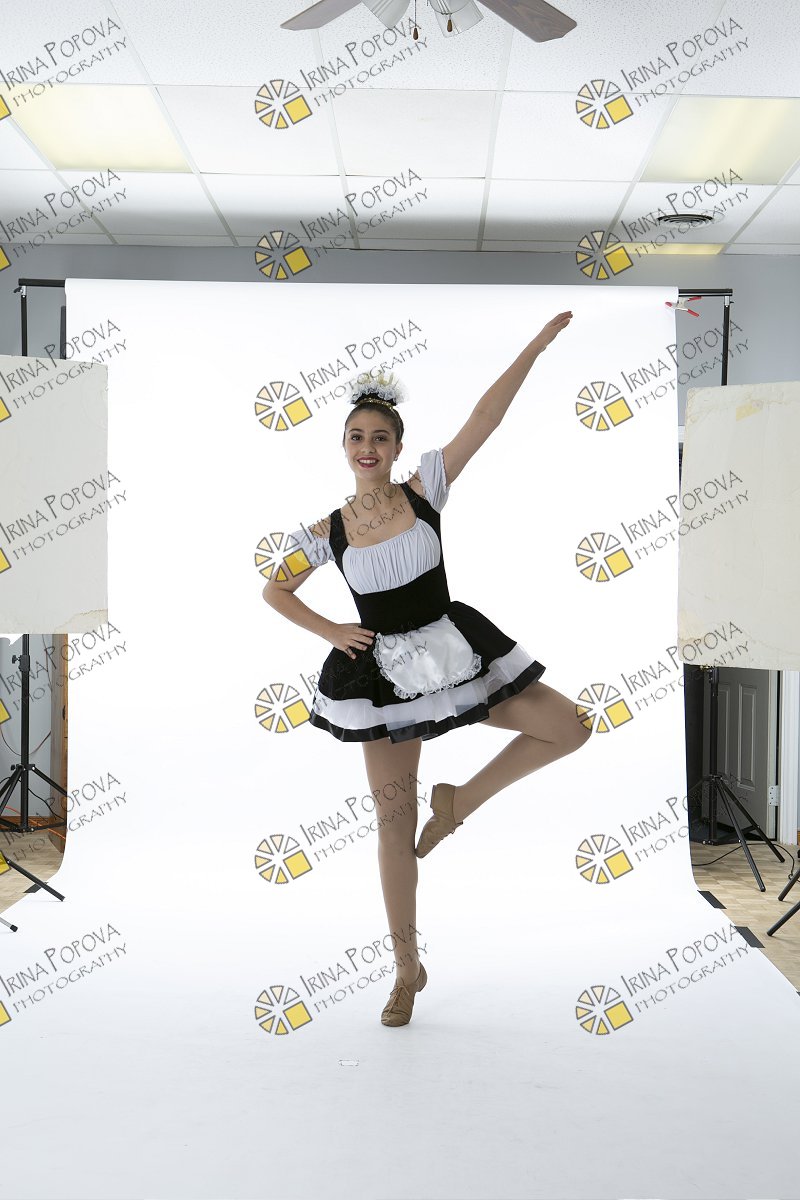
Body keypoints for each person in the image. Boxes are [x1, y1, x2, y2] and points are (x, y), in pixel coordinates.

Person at [264, 310, 591, 1027]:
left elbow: (486, 417)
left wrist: (536, 345)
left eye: (380, 437)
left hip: (453, 651)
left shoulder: (425, 491)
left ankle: (459, 804)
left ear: (397, 445)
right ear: (344, 447)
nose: (368, 447)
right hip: (383, 678)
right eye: (357, 437)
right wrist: (332, 630)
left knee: (568, 726)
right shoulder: (328, 531)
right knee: (392, 825)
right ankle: (406, 968)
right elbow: (274, 589)